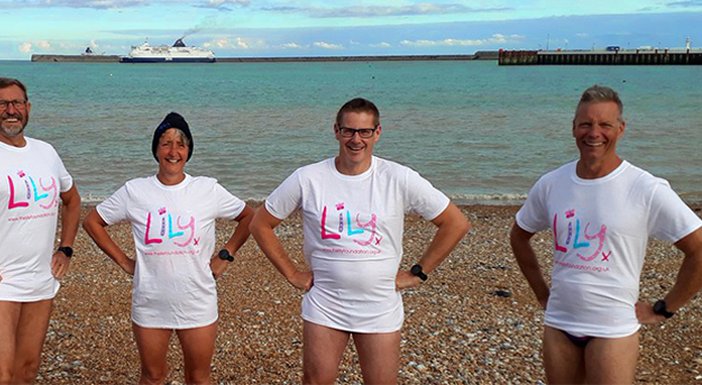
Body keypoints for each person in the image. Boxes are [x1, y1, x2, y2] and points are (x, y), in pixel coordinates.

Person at [249, 97, 471, 384]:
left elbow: (455, 223)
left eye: (364, 131)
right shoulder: (308, 178)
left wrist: (419, 273)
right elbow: (260, 224)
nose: (356, 139)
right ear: (336, 131)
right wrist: (291, 273)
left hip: (380, 304)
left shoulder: (398, 177)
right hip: (325, 302)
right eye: (349, 131)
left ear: (377, 133)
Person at [510, 85, 702, 384]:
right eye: (586, 124)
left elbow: (698, 249)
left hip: (612, 329)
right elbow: (520, 234)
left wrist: (665, 308)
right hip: (559, 323)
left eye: (605, 125)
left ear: (621, 129)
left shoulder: (645, 188)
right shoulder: (551, 183)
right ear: (574, 128)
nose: (594, 133)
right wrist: (541, 293)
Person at [82, 112, 254, 385]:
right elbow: (92, 222)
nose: (173, 151)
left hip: (197, 300)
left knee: (198, 377)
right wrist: (125, 262)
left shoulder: (207, 189)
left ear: (188, 151)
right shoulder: (135, 191)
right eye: (166, 143)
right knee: (152, 376)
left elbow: (249, 217)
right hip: (150, 301)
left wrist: (225, 254)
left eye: (181, 144)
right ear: (156, 150)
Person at [0, 77, 81, 384]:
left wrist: (66, 248)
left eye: (17, 103)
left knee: (27, 372)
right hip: (3, 279)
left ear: (28, 108)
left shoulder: (45, 152)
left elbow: (72, 200)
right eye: (3, 104)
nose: (11, 110)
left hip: (40, 276)